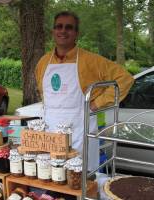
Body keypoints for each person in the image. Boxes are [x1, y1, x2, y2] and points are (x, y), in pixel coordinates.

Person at [35, 11, 134, 170]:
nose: (63, 31)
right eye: (59, 26)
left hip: (80, 129)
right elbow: (43, 93)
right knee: (52, 176)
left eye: (69, 27)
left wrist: (97, 103)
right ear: (53, 31)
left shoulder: (92, 60)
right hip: (50, 131)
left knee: (81, 178)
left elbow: (125, 79)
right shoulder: (43, 62)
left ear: (76, 33)